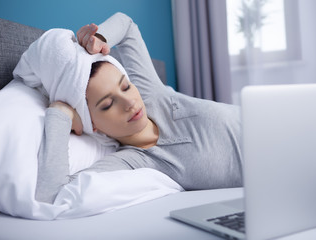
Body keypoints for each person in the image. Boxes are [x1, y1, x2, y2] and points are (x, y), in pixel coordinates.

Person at [35, 12, 243, 204]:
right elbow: (53, 195)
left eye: (125, 86)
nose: (129, 102)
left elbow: (126, 26)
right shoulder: (132, 162)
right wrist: (60, 115)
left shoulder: (151, 94)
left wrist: (99, 39)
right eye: (108, 105)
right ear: (93, 124)